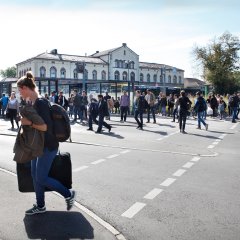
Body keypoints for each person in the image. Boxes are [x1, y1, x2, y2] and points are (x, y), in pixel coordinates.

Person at [17, 72, 76, 215]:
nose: (19, 93)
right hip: (36, 146)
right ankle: (40, 205)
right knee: (34, 175)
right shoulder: (32, 102)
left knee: (41, 177)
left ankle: (68, 194)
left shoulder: (41, 103)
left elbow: (45, 127)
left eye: (19, 90)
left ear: (25, 88)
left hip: (47, 146)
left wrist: (28, 122)